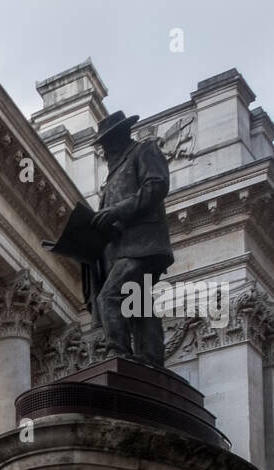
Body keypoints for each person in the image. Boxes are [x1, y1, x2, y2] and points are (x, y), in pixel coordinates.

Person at [87, 110, 174, 368]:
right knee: (139, 304)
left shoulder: (144, 151)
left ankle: (118, 355)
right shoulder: (112, 175)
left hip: (142, 245)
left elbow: (156, 186)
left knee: (109, 297)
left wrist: (116, 211)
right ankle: (151, 359)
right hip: (122, 248)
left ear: (119, 137)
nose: (104, 150)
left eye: (106, 142)